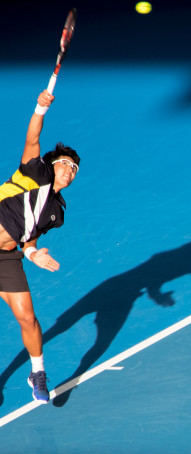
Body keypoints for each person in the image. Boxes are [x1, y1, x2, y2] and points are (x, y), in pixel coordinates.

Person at [0, 89, 80, 404]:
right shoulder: (36, 172)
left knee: (28, 318)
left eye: (75, 170)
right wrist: (39, 108)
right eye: (66, 165)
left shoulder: (56, 212)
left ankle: (37, 372)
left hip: (6, 258)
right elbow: (33, 137)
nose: (70, 172)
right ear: (52, 163)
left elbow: (28, 237)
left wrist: (32, 253)